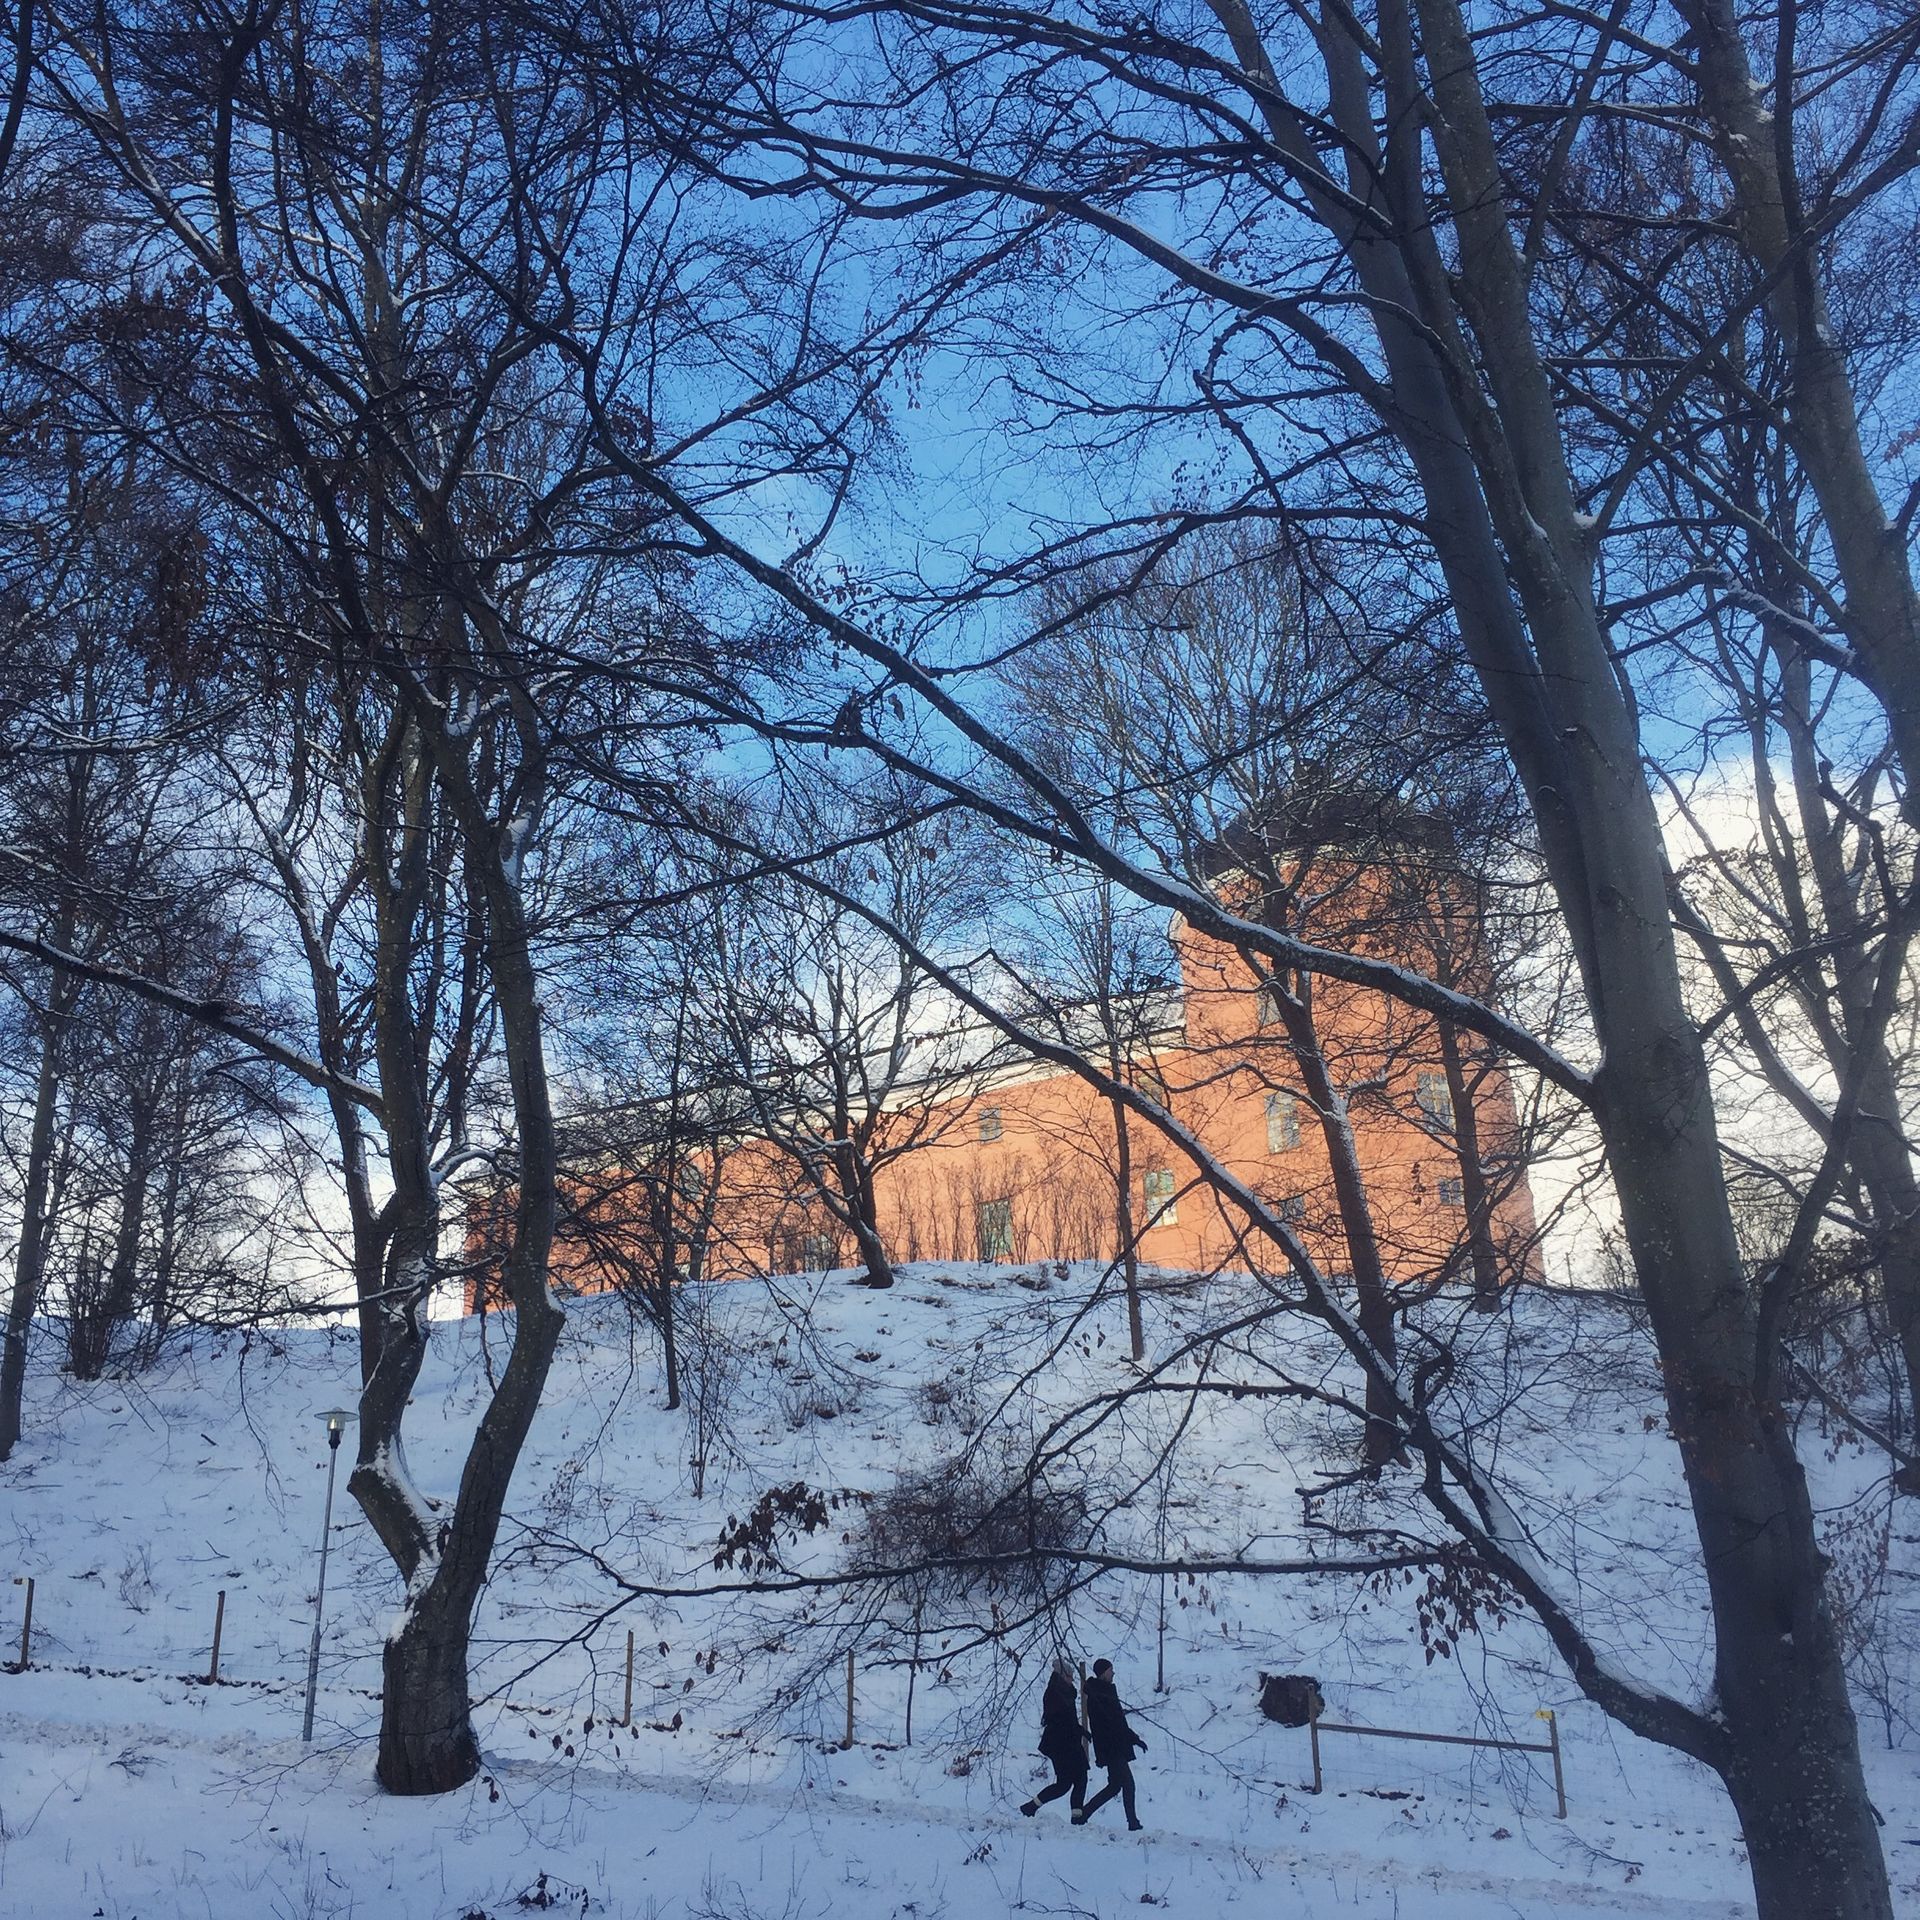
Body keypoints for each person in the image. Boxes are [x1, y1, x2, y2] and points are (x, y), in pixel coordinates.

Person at [1073, 1658, 1147, 1830]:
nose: (1113, 1673)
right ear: (1103, 1672)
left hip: (1116, 1745)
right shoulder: (1098, 1695)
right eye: (1110, 1670)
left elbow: (1118, 1720)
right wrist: (1131, 1738)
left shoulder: (1105, 1691)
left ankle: (1084, 1814)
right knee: (1128, 1784)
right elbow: (1113, 1722)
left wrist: (1134, 1739)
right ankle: (1133, 1823)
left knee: (1115, 1786)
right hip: (1111, 1747)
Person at [1020, 1655, 1088, 1816]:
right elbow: (1059, 1720)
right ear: (1062, 1676)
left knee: (1079, 1779)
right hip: (1060, 1745)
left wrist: (1080, 1730)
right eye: (1070, 1676)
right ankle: (1031, 1807)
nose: (1072, 1680)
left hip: (1069, 1742)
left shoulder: (1066, 1692)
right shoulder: (1054, 1693)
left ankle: (1076, 1816)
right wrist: (1077, 1730)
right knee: (1065, 1783)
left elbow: (1068, 1719)